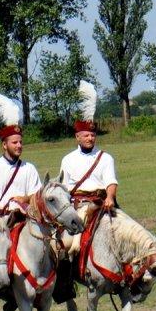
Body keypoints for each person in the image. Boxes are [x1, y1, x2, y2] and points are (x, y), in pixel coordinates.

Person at [59, 80, 118, 217]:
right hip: (77, 208)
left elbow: (111, 182)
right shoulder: (68, 160)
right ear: (77, 137)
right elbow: (63, 189)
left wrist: (110, 197)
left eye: (92, 135)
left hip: (102, 205)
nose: (90, 138)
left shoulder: (106, 158)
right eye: (86, 135)